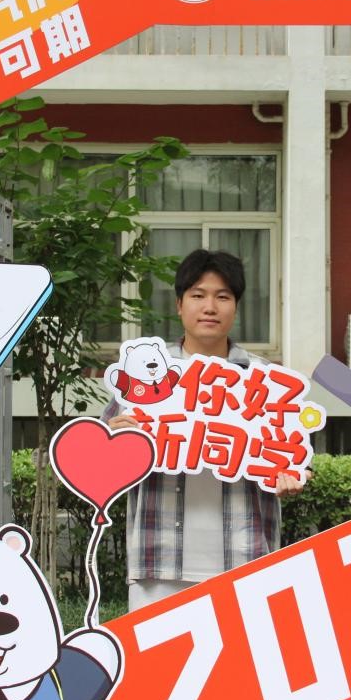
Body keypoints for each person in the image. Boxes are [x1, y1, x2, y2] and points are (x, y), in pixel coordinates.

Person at [105, 249, 305, 611]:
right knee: (158, 651)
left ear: (236, 307)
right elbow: (105, 464)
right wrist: (116, 443)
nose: (209, 307)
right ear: (179, 305)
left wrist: (290, 475)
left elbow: (296, 457)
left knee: (244, 651)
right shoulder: (142, 371)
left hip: (245, 561)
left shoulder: (267, 380)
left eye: (222, 297)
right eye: (198, 295)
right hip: (159, 563)